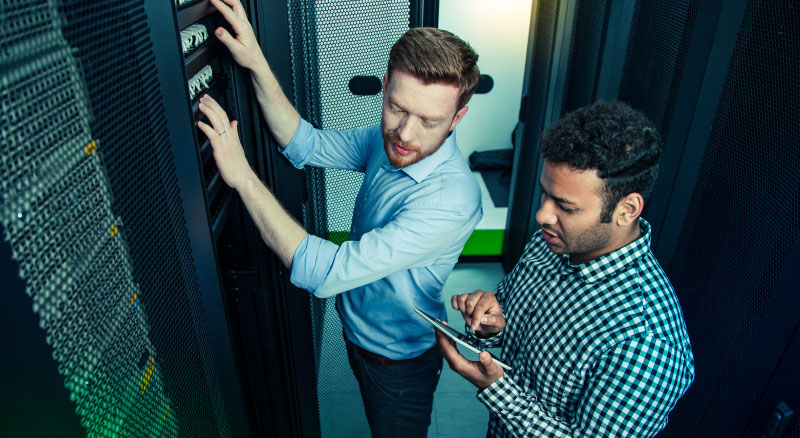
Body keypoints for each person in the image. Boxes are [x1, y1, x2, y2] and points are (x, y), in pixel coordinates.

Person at [196, 0, 482, 435]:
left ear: (457, 118)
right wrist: (255, 61)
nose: (405, 133)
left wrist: (243, 178)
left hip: (396, 364)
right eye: (397, 107)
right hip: (359, 336)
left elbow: (327, 273)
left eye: (429, 121)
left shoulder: (450, 200)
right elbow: (304, 142)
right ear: (385, 86)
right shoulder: (388, 139)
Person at [436, 101, 695, 437]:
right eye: (546, 195)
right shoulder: (553, 241)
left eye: (565, 206)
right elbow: (512, 328)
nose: (542, 215)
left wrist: (497, 389)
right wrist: (489, 325)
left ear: (627, 208)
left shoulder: (645, 342)